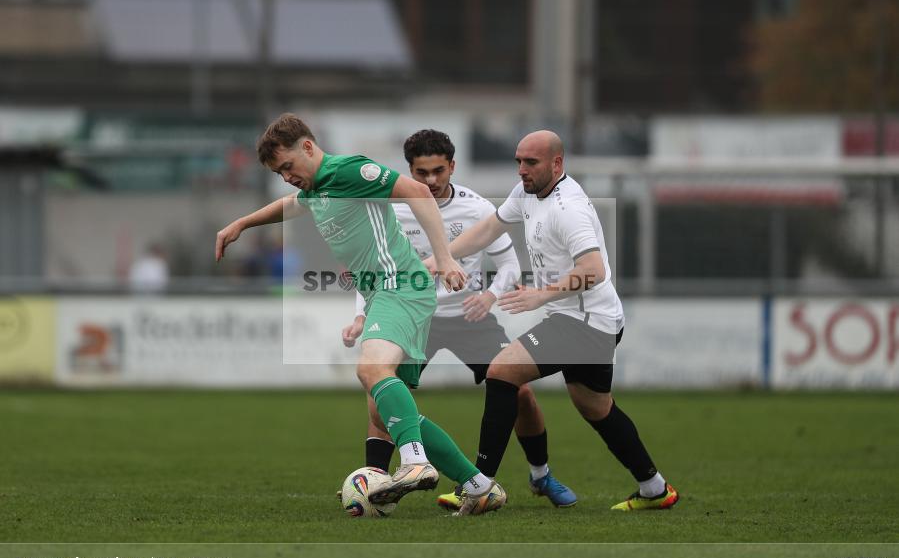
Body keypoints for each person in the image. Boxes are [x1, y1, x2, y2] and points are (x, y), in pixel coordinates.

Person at [215, 113, 505, 516]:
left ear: (308, 148)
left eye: (287, 166)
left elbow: (418, 192)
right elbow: (289, 205)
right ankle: (479, 486)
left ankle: (416, 463)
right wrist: (241, 224)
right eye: (278, 172)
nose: (286, 176)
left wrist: (444, 257)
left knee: (371, 371)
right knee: (384, 412)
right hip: (388, 295)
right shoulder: (317, 188)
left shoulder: (348, 170)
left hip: (400, 287)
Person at [425, 130, 679, 511]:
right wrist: (441, 258)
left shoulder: (568, 208)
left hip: (586, 321)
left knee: (500, 372)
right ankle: (655, 489)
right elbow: (489, 229)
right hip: (590, 318)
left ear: (557, 164)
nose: (522, 170)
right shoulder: (526, 192)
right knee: (596, 407)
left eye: (531, 162)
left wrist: (540, 295)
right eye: (518, 161)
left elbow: (593, 270)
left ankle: (478, 486)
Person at [342, 129, 577, 510]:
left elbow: (508, 266)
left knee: (520, 392)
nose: (431, 180)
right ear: (409, 171)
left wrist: (489, 296)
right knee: (381, 397)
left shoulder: (477, 208)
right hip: (415, 316)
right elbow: (375, 270)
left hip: (470, 317)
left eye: (438, 170)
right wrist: (360, 315)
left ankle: (541, 475)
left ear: (452, 166)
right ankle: (377, 481)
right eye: (421, 173)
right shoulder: (394, 209)